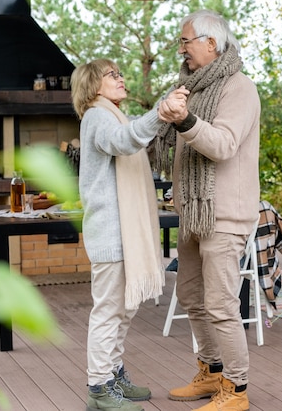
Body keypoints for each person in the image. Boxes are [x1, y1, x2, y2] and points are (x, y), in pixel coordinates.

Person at [155, 9, 261, 411]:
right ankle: (212, 371)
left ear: (211, 44)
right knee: (191, 295)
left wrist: (184, 121)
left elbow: (222, 145)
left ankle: (236, 389)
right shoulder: (191, 87)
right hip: (192, 214)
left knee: (220, 304)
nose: (180, 49)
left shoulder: (240, 88)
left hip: (225, 216)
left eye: (186, 41)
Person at [70, 58, 188, 411]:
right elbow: (124, 141)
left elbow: (135, 129)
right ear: (93, 86)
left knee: (123, 311)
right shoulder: (97, 117)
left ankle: (113, 373)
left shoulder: (112, 114)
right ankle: (99, 388)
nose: (121, 79)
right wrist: (160, 112)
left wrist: (164, 109)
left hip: (120, 234)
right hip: (110, 234)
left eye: (121, 74)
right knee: (109, 311)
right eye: (113, 75)